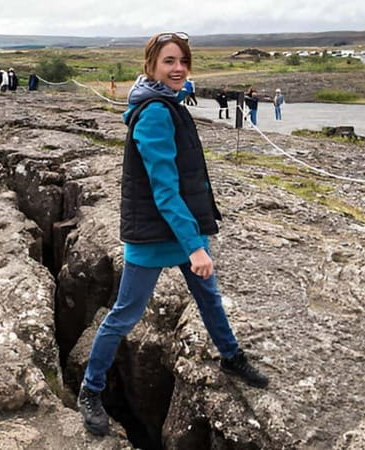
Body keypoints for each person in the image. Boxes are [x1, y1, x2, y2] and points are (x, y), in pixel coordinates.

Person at [77, 31, 269, 438]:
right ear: (151, 67)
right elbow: (165, 190)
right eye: (168, 61)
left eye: (183, 60)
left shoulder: (166, 98)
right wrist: (195, 247)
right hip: (156, 232)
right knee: (124, 314)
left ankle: (231, 356)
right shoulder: (155, 113)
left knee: (209, 297)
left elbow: (182, 89)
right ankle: (90, 390)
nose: (178, 68)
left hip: (181, 226)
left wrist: (181, 88)